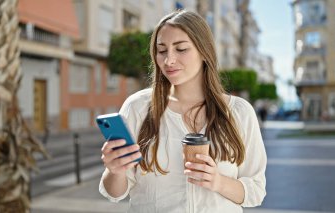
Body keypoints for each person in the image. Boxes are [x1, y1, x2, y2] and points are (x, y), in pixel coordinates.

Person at [99, 10, 266, 212]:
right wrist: (114, 170)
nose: (169, 60)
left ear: (204, 52)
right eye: (162, 51)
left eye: (181, 49)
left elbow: (256, 191)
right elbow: (115, 193)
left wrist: (218, 182)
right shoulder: (137, 107)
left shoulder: (239, 112)